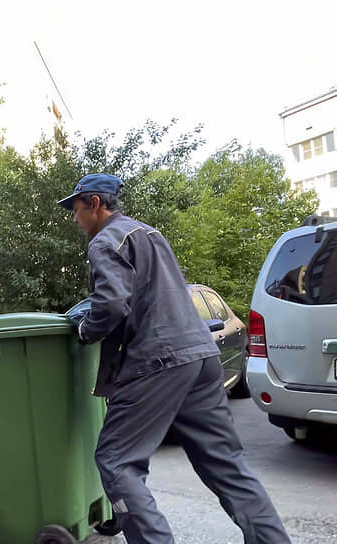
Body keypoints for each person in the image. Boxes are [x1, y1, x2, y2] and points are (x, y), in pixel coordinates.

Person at [59, 174, 289, 544]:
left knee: (116, 460)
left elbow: (113, 303)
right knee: (225, 464)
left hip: (157, 360)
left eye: (76, 208)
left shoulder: (106, 240)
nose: (74, 218)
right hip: (200, 355)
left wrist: (85, 331)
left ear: (95, 204)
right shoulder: (149, 234)